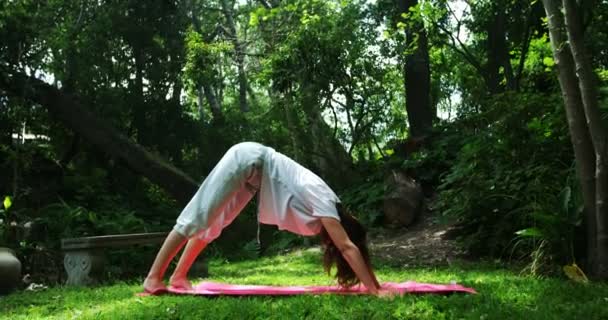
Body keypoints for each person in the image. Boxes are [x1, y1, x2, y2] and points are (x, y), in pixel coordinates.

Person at [143, 142, 384, 295]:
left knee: (213, 226)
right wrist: (375, 291)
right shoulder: (325, 202)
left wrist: (375, 283)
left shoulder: (329, 209)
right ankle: (153, 278)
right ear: (344, 229)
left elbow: (352, 247)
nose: (328, 245)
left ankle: (178, 276)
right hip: (248, 160)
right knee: (196, 218)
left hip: (254, 176)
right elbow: (347, 246)